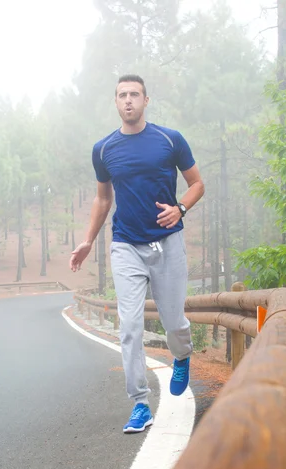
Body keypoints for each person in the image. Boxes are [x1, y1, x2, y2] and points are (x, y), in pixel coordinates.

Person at [70, 74, 204, 434]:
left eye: (134, 94)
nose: (128, 100)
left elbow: (197, 184)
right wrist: (87, 240)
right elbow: (103, 198)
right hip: (126, 244)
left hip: (168, 243)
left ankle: (181, 355)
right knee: (130, 326)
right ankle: (140, 404)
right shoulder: (104, 149)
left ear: (146, 100)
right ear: (115, 102)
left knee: (174, 323)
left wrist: (181, 208)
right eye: (122, 95)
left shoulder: (169, 140)